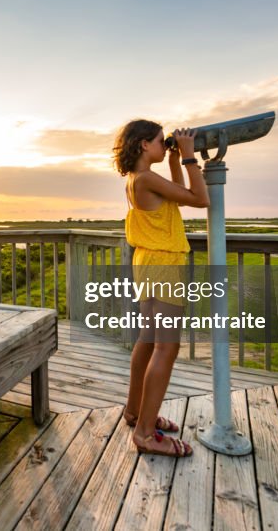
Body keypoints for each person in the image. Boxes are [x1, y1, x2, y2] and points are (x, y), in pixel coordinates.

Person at [113, 120, 209, 457]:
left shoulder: (136, 180)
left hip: (147, 262)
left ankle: (136, 412)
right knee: (166, 348)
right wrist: (188, 155)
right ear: (142, 145)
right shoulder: (147, 179)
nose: (162, 144)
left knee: (149, 340)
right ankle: (144, 434)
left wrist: (173, 161)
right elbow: (200, 199)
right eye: (159, 141)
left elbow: (178, 199)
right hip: (164, 265)